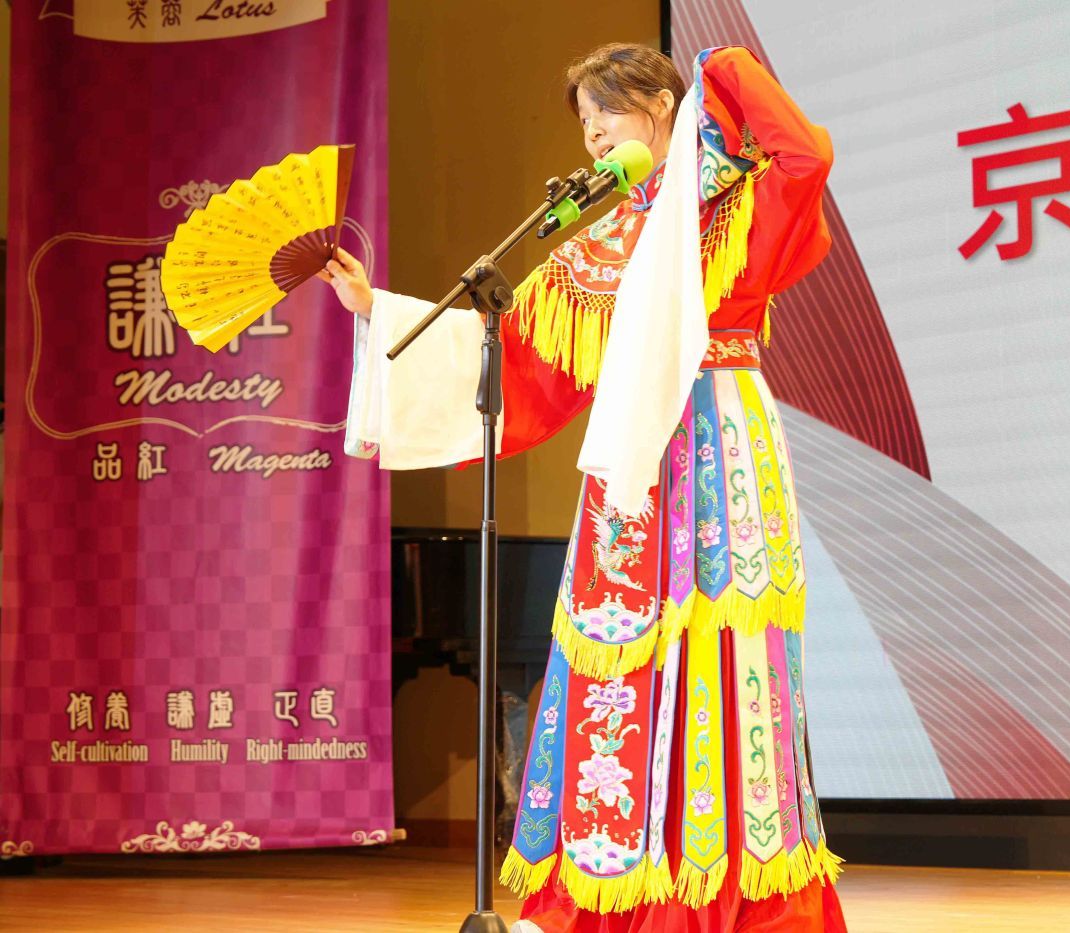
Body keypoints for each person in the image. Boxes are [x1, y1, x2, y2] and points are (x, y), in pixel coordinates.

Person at [322, 42, 846, 932]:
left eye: (608, 111)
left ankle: (738, 894)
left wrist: (724, 68)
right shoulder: (601, 241)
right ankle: (612, 886)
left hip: (718, 440)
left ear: (660, 105)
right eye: (586, 122)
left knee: (724, 651)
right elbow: (517, 351)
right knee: (621, 656)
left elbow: (807, 156)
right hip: (630, 466)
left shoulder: (733, 202)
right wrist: (380, 311)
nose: (595, 133)